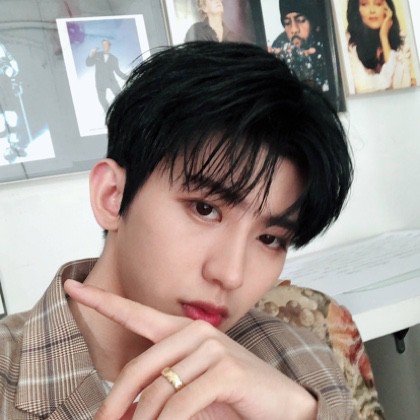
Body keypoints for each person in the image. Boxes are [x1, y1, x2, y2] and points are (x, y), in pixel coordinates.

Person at [0, 42, 356, 419]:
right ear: (112, 196)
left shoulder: (302, 364)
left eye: (270, 239)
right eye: (205, 209)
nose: (230, 274)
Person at [346, 0, 414, 93]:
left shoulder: (402, 38)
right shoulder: (348, 42)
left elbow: (401, 86)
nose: (372, 11)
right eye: (364, 4)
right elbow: (364, 88)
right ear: (356, 9)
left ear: (388, 9)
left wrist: (384, 37)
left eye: (378, 4)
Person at [271, 0, 329, 92]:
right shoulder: (280, 47)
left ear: (313, 22)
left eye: (301, 20)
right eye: (287, 23)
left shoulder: (327, 45)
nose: (294, 29)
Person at [0, 41, 26, 163]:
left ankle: (14, 144)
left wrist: (13, 72)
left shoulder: (2, 46)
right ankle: (5, 147)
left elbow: (11, 61)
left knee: (12, 116)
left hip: (5, 86)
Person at [86, 38, 128, 113]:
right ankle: (109, 114)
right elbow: (88, 64)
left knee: (120, 98)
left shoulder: (114, 59)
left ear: (109, 46)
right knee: (102, 99)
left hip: (111, 81)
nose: (104, 46)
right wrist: (91, 54)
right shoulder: (97, 55)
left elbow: (118, 72)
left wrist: (128, 77)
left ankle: (123, 112)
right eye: (103, 45)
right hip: (100, 82)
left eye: (106, 44)